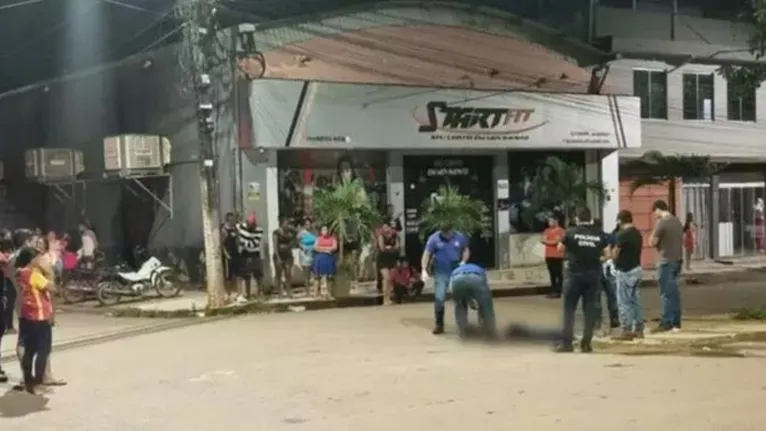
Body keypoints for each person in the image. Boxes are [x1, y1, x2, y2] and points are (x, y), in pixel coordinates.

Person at [556, 207, 611, 353]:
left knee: (569, 310)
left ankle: (566, 343)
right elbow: (608, 254)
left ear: (577, 219)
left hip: (573, 275)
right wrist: (599, 259)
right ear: (590, 219)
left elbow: (559, 249)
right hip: (592, 275)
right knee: (589, 310)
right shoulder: (598, 234)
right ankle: (586, 344)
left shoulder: (571, 232)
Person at [15, 247, 54, 394]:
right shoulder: (33, 275)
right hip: (39, 315)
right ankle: (38, 381)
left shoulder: (20, 273)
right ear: (32, 260)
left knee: (29, 350)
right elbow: (52, 287)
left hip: (26, 315)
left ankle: (28, 381)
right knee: (43, 350)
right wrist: (49, 272)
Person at [421, 223, 470, 335]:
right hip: (441, 270)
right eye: (444, 233)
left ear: (452, 230)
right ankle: (439, 324)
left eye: (448, 232)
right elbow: (426, 254)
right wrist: (424, 269)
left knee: (461, 297)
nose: (446, 235)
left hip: (456, 269)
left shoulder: (459, 237)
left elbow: (466, 250)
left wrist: (463, 261)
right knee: (439, 297)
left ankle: (463, 325)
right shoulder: (434, 239)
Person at [650, 200, 684, 333]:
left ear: (658, 209)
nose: (654, 215)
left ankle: (666, 322)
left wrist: (654, 230)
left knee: (666, 293)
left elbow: (652, 241)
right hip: (677, 259)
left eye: (654, 212)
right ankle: (676, 322)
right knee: (674, 293)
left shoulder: (662, 222)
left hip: (666, 261)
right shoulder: (677, 221)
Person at [611, 210, 645, 340]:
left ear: (620, 221)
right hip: (637, 269)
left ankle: (626, 330)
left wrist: (613, 261)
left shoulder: (622, 234)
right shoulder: (637, 233)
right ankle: (639, 329)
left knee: (623, 301)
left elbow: (616, 253)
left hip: (625, 270)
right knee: (635, 301)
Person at [450, 262, 496, 339]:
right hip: (476, 278)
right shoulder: (480, 269)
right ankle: (489, 330)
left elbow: (453, 289)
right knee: (486, 305)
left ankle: (463, 331)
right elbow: (482, 285)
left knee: (460, 306)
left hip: (457, 280)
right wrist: (477, 302)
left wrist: (468, 301)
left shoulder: (455, 270)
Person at [593, 219, 619, 334]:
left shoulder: (593, 238)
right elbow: (613, 249)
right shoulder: (608, 236)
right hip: (609, 269)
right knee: (612, 295)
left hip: (597, 269)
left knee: (597, 297)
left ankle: (597, 322)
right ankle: (614, 319)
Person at [235, 214, 264, 302]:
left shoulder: (259, 230)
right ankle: (247, 293)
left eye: (250, 224)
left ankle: (260, 292)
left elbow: (254, 243)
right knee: (246, 275)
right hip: (244, 254)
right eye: (248, 223)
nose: (249, 226)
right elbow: (236, 227)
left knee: (257, 274)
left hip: (254, 253)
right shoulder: (242, 227)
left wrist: (242, 242)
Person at [376, 221, 400, 306]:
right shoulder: (381, 236)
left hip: (392, 258)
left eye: (387, 227)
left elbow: (398, 246)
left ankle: (389, 297)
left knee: (391, 279)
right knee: (386, 278)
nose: (386, 229)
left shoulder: (395, 235)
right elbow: (382, 248)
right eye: (384, 228)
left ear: (390, 228)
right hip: (383, 259)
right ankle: (384, 298)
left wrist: (391, 248)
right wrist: (390, 248)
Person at [541, 215, 565, 298]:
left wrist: (548, 241)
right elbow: (542, 240)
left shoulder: (561, 231)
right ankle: (553, 290)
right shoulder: (547, 230)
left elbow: (556, 241)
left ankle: (558, 290)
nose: (549, 223)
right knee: (552, 273)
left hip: (558, 255)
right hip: (548, 255)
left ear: (556, 221)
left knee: (558, 273)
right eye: (549, 221)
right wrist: (550, 241)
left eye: (551, 221)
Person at [272, 216, 296, 297]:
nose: (287, 225)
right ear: (281, 223)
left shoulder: (290, 232)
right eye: (286, 223)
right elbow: (275, 246)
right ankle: (279, 292)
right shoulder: (276, 233)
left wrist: (289, 246)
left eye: (288, 223)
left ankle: (289, 291)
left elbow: (295, 238)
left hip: (288, 255)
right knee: (278, 274)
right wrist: (278, 257)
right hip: (279, 255)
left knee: (288, 273)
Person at [312, 226, 337, 299]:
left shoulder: (332, 238)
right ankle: (316, 294)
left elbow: (334, 247)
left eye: (326, 229)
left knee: (329, 277)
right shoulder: (318, 239)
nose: (324, 231)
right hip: (319, 259)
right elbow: (315, 247)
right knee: (317, 277)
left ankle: (329, 294)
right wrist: (326, 250)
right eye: (323, 229)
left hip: (329, 259)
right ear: (321, 231)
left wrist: (321, 248)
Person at [221, 212, 240, 301]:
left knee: (235, 274)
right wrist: (226, 254)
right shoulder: (224, 230)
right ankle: (227, 293)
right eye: (232, 219)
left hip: (235, 253)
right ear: (228, 220)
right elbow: (222, 244)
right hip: (228, 255)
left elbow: (237, 240)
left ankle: (235, 292)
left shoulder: (235, 229)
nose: (234, 220)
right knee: (228, 275)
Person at [297, 218, 317, 293]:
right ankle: (307, 290)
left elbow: (317, 240)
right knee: (307, 273)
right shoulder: (301, 233)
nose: (308, 225)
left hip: (313, 253)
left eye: (309, 224)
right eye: (306, 224)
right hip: (305, 254)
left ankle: (315, 290)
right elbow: (298, 243)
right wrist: (303, 248)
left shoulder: (314, 232)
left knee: (315, 273)